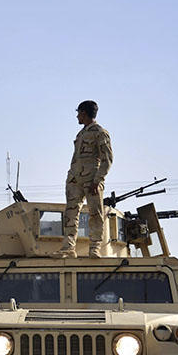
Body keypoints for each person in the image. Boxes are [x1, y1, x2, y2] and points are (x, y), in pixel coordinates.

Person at [52, 100, 113, 258]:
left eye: (78, 112)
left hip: (91, 179)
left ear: (84, 113)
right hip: (75, 179)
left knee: (95, 213)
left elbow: (107, 159)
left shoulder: (100, 132)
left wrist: (98, 179)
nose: (77, 116)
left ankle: (94, 248)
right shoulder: (81, 134)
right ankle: (68, 248)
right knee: (71, 213)